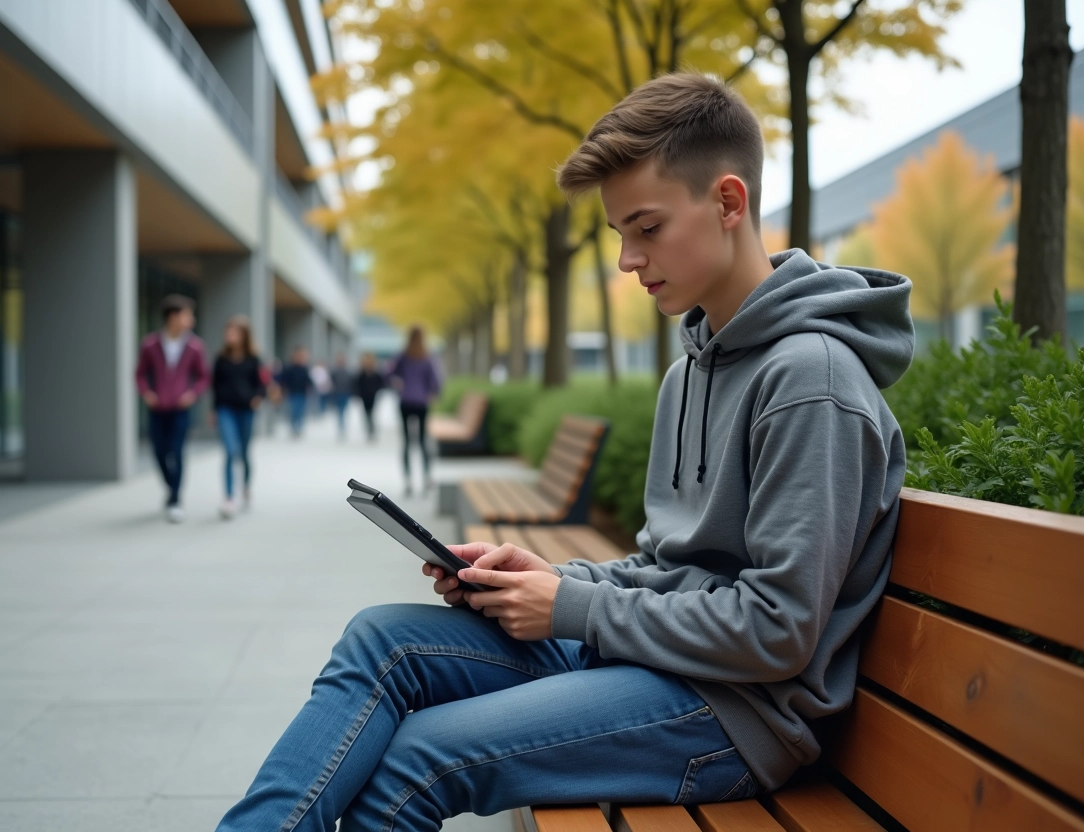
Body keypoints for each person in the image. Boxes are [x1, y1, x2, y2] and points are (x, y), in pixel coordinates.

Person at [215, 74, 913, 831]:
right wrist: (553, 578)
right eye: (619, 234)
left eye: (646, 228)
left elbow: (778, 631)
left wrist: (574, 607)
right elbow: (665, 567)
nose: (626, 259)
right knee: (378, 642)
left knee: (416, 760)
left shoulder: (811, 381)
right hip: (653, 664)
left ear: (728, 202)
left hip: (734, 713)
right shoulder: (691, 371)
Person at [135, 294, 210, 523]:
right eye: (187, 315)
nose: (191, 319)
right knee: (158, 452)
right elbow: (139, 374)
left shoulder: (195, 346)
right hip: (157, 407)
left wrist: (192, 394)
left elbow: (203, 376)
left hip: (180, 408)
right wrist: (146, 393)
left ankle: (176, 499)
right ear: (173, 316)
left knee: (177, 452)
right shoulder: (150, 344)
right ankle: (171, 487)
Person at [211, 315, 269, 519]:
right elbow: (215, 387)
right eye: (228, 331)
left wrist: (257, 398)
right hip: (226, 410)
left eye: (235, 332)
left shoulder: (254, 359)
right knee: (230, 450)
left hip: (246, 410)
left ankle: (244, 486)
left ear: (244, 335)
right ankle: (228, 497)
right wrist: (213, 411)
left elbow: (263, 384)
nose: (230, 335)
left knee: (243, 453)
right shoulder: (220, 359)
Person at [387, 326, 441, 495]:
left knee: (406, 442)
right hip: (422, 402)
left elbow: (388, 373)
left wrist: (399, 384)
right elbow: (436, 381)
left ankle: (408, 481)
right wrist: (431, 394)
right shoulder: (427, 357)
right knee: (423, 440)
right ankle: (426, 478)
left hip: (405, 401)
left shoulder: (403, 356)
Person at [274, 346, 313, 439]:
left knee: (300, 412)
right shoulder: (289, 367)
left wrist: (310, 387)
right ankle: (293, 428)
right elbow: (282, 379)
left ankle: (298, 428)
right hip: (292, 393)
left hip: (302, 393)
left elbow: (308, 380)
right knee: (293, 411)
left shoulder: (304, 368)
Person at [354, 352, 385, 442]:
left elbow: (380, 383)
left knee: (371, 413)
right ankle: (369, 429)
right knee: (366, 413)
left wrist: (377, 390)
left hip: (372, 395)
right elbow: (358, 384)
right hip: (364, 396)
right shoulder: (362, 373)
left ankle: (372, 430)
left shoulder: (375, 373)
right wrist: (357, 394)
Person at [329, 353, 355, 440]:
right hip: (337, 393)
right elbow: (331, 383)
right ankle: (341, 427)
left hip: (345, 393)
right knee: (339, 411)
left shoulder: (348, 372)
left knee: (343, 410)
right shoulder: (334, 372)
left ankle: (343, 427)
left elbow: (351, 383)